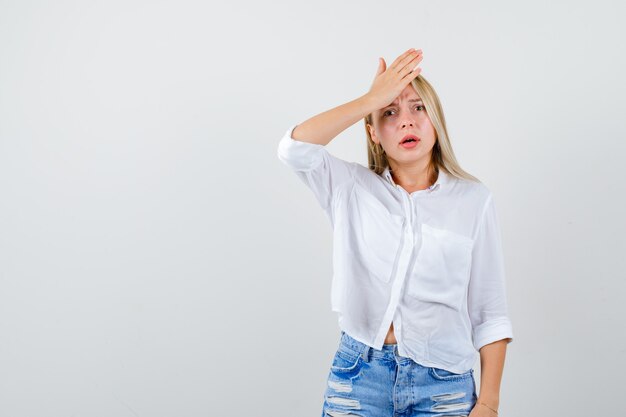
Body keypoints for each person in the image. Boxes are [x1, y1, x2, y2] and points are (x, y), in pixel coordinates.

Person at [276, 48, 513, 417]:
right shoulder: (349, 187)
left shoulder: (474, 200)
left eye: (418, 108)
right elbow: (294, 149)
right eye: (390, 112)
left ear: (436, 121)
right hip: (359, 379)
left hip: (444, 385)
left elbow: (490, 313)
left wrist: (489, 404)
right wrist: (370, 99)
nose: (406, 121)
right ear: (374, 134)